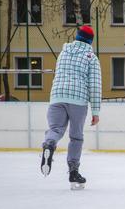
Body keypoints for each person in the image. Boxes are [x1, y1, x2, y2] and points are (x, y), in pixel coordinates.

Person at [40, 25, 102, 190]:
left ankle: (49, 144)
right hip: (78, 100)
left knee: (56, 129)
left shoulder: (63, 52)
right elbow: (95, 85)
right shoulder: (91, 57)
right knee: (76, 137)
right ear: (90, 41)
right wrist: (95, 111)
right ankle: (73, 171)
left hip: (57, 96)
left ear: (77, 37)